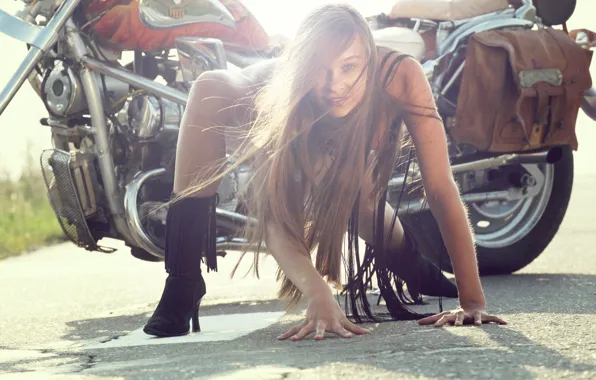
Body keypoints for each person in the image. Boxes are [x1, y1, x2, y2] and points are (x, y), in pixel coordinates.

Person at [142, 3, 507, 341]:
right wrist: (318, 292)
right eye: (321, 70)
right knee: (208, 88)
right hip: (271, 106)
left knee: (364, 206)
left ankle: (416, 268)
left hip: (352, 133)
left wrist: (472, 298)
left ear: (369, 57)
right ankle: (183, 281)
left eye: (349, 67)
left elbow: (441, 188)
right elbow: (277, 220)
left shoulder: (400, 76)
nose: (335, 85)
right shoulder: (287, 100)